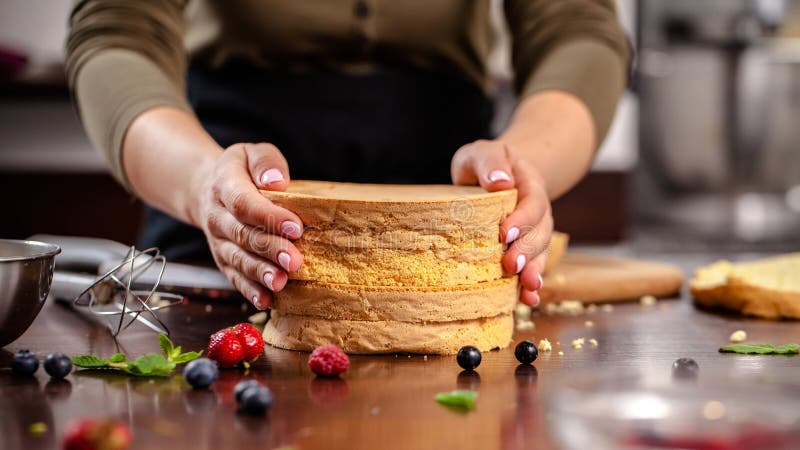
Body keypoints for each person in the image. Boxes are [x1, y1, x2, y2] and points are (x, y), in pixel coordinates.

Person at [66, 0, 629, 310]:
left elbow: (578, 29)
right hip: (231, 212)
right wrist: (200, 183)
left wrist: (522, 168)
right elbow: (118, 30)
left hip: (452, 198)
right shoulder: (215, 193)